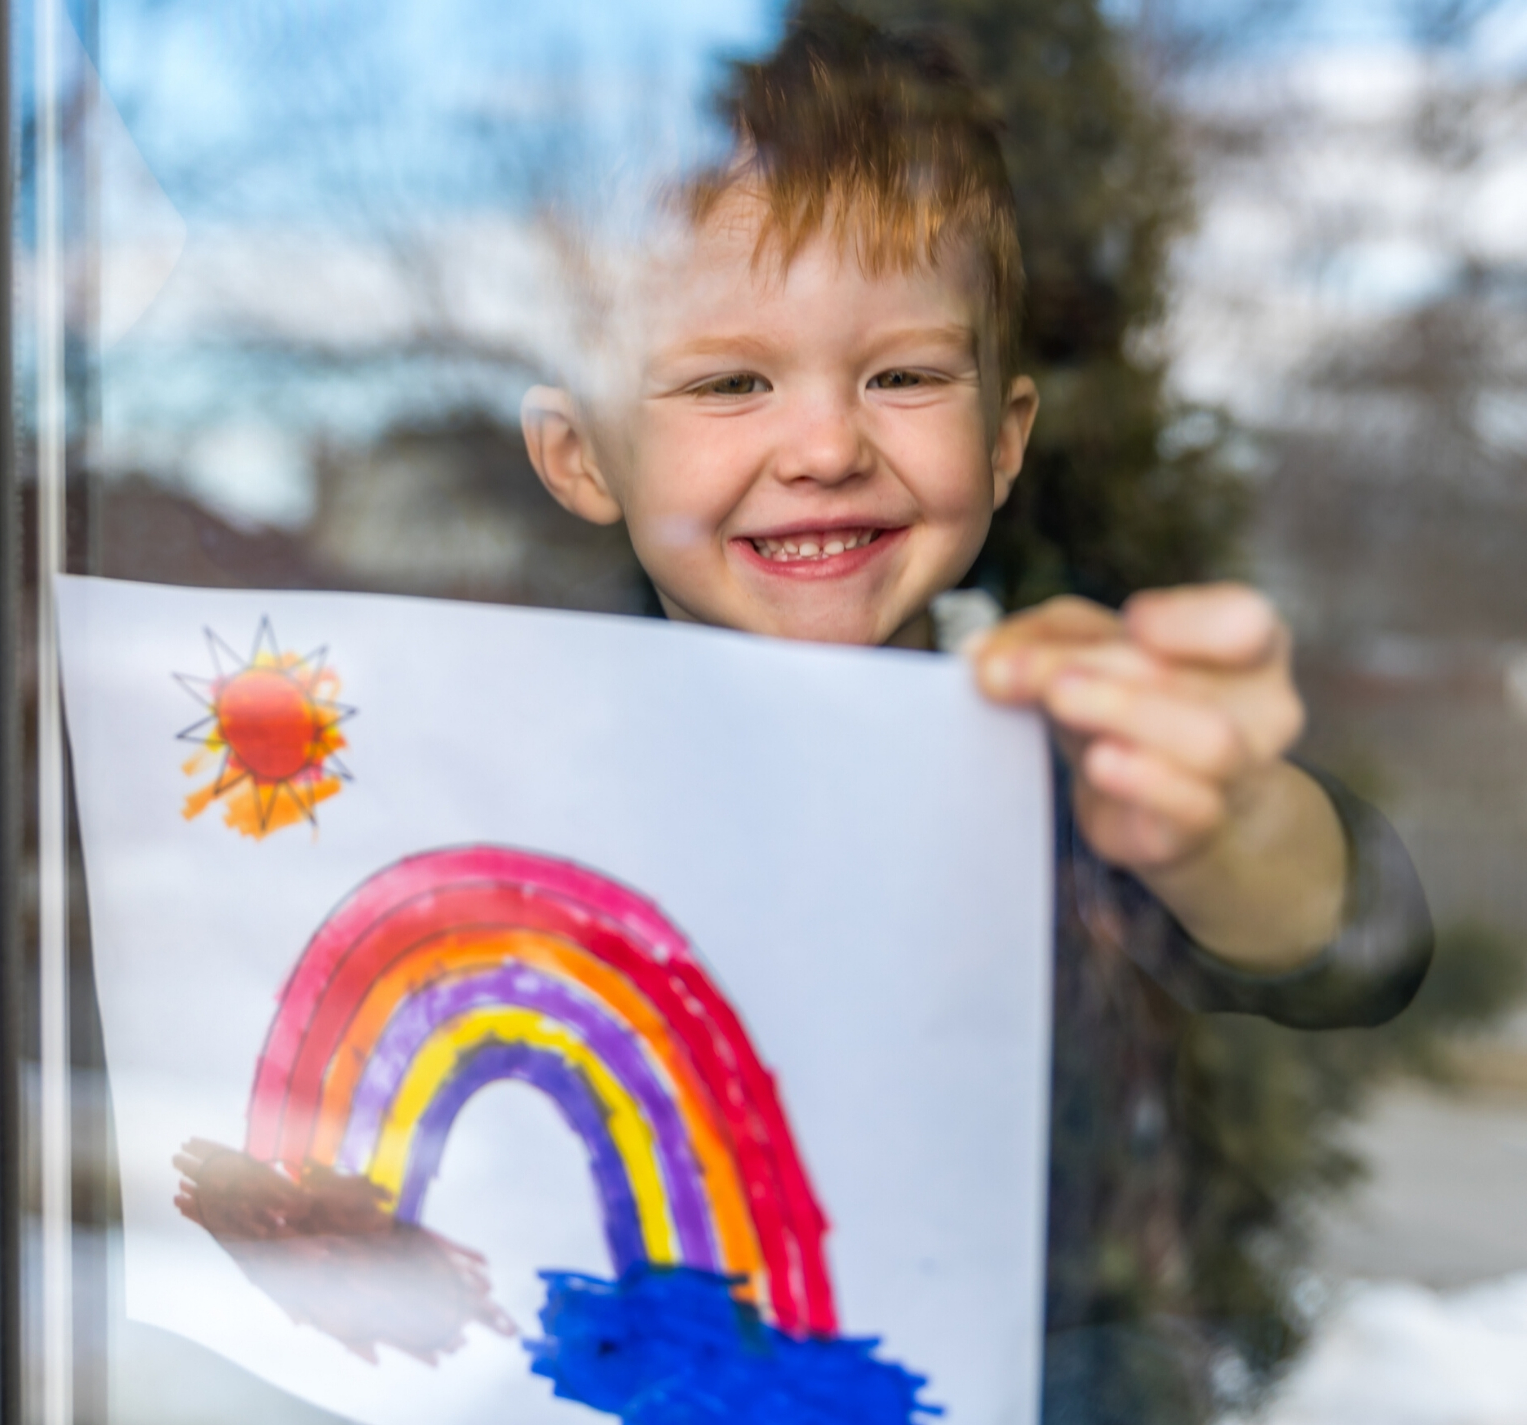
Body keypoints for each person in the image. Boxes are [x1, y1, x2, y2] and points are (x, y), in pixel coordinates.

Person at [517, 7, 1432, 1419]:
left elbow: (1346, 941)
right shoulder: (518, 760)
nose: (826, 445)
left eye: (903, 375)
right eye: (729, 381)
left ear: (1003, 442)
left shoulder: (1047, 718)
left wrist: (1230, 817)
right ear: (583, 457)